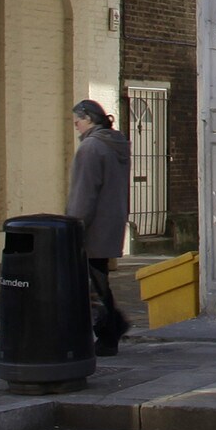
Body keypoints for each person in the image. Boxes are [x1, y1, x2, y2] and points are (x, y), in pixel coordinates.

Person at [66, 101, 132, 355]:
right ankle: (112, 328)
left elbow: (84, 193)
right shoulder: (116, 144)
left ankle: (108, 331)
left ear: (89, 119)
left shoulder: (91, 147)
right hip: (111, 221)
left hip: (92, 225)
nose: (77, 128)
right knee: (98, 277)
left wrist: (74, 224)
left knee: (93, 283)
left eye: (78, 122)